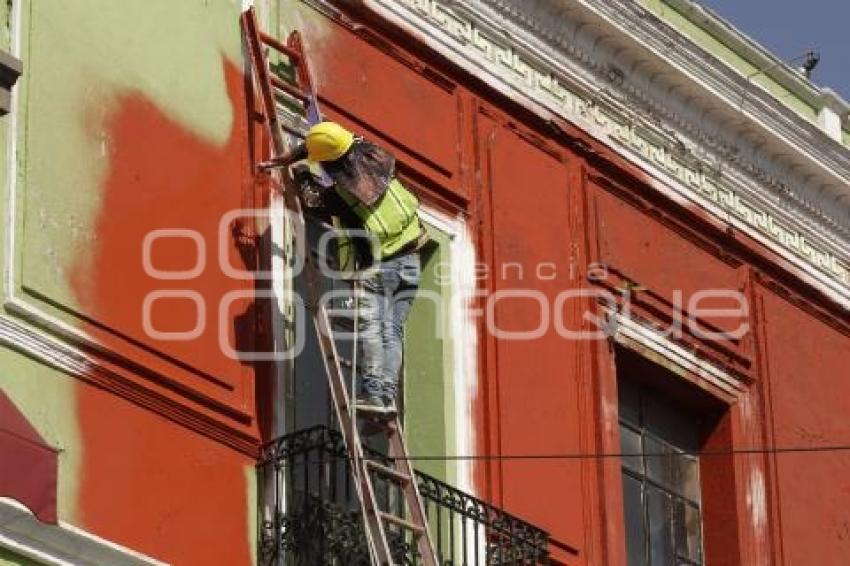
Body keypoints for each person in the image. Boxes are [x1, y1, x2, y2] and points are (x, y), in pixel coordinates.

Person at [293, 121, 430, 417]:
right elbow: (343, 141)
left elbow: (312, 201)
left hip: (382, 266)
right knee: (392, 330)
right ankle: (387, 396)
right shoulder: (376, 158)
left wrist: (302, 173)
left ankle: (373, 393)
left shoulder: (343, 197)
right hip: (412, 260)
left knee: (371, 326)